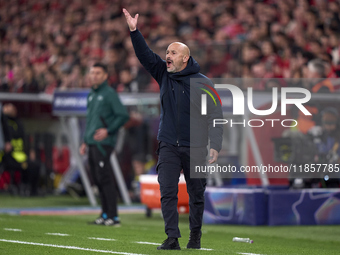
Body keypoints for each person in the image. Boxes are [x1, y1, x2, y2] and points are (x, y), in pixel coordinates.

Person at [123, 9, 223, 250]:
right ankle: (172, 238)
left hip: (196, 147)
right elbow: (145, 55)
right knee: (167, 192)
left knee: (196, 196)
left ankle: (195, 238)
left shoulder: (204, 83)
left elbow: (216, 115)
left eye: (173, 52)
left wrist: (216, 146)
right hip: (168, 145)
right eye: (167, 52)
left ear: (185, 58)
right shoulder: (163, 74)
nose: (167, 55)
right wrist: (135, 32)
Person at [79, 63, 129, 226]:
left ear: (105, 76)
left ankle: (114, 217)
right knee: (98, 179)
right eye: (92, 72)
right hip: (92, 143)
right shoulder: (91, 95)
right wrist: (85, 141)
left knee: (105, 178)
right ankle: (104, 213)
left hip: (103, 143)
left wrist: (108, 130)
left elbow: (122, 116)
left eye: (98, 73)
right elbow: (91, 121)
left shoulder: (109, 94)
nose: (94, 75)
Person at [1, 103, 40, 196]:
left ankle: (31, 190)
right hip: (8, 156)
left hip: (20, 155)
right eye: (9, 108)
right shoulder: (4, 123)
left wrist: (31, 150)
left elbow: (25, 140)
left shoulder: (19, 123)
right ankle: (22, 188)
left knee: (35, 165)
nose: (12, 110)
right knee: (27, 166)